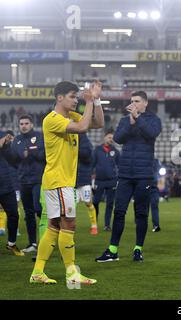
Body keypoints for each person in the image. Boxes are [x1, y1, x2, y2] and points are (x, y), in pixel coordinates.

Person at [30, 80, 104, 285]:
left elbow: (97, 123)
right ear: (59, 97)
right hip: (59, 180)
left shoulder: (71, 116)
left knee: (54, 225)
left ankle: (37, 272)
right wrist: (88, 102)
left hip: (60, 181)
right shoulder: (51, 119)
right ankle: (72, 273)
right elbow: (82, 127)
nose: (76, 100)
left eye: (77, 96)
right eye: (72, 96)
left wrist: (96, 101)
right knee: (69, 223)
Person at [96, 91, 161, 263]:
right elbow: (118, 138)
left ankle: (138, 249)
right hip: (125, 174)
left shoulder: (153, 119)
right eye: (132, 101)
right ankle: (112, 250)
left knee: (141, 213)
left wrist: (138, 119)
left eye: (137, 101)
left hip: (144, 174)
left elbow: (152, 134)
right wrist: (131, 121)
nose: (134, 104)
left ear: (145, 103)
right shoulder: (125, 120)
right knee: (119, 211)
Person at [10, 115, 45, 254]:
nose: (23, 126)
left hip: (38, 179)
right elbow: (13, 158)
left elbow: (44, 155)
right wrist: (27, 153)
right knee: (28, 213)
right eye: (21, 124)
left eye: (26, 123)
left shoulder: (40, 136)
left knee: (38, 209)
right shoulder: (17, 140)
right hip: (23, 180)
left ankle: (47, 239)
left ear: (31, 124)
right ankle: (33, 243)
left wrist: (30, 151)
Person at [0, 130, 24, 256]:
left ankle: (11, 244)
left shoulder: (2, 135)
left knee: (14, 215)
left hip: (5, 184)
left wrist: (9, 145)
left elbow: (13, 160)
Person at [92, 130, 120, 232]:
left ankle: (107, 225)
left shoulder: (116, 151)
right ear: (104, 138)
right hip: (99, 181)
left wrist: (118, 178)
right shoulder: (97, 150)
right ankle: (94, 223)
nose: (111, 139)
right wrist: (90, 178)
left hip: (112, 181)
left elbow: (119, 165)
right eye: (109, 137)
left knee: (110, 204)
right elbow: (92, 164)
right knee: (95, 202)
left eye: (112, 138)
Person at [75, 133, 97, 235]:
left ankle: (94, 225)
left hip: (84, 179)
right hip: (72, 180)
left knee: (88, 202)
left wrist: (75, 150)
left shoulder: (85, 141)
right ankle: (70, 226)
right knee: (71, 206)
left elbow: (88, 157)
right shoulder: (68, 136)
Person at [150, 159, 162, 232]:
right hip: (145, 186)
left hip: (153, 187)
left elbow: (160, 170)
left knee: (154, 206)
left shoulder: (156, 161)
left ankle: (156, 225)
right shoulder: (156, 161)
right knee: (142, 208)